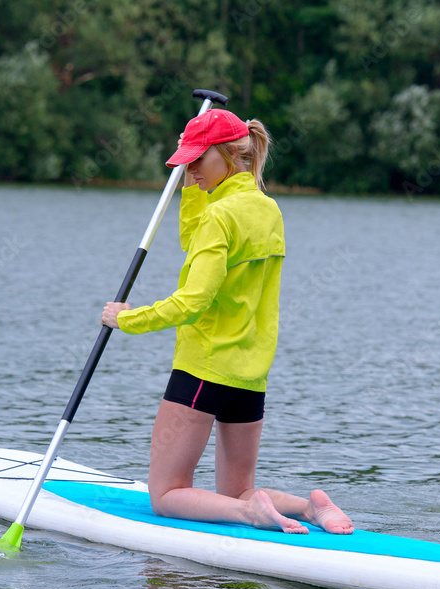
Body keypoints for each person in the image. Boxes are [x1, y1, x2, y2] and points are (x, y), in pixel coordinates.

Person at [100, 109, 353, 535]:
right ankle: (308, 508)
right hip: (251, 374)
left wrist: (128, 319)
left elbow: (192, 302)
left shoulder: (220, 217)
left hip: (203, 367)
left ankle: (253, 514)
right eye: (186, 161)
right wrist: (193, 186)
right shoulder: (267, 210)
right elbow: (193, 239)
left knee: (165, 494)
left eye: (197, 160)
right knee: (237, 490)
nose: (189, 169)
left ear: (227, 154)